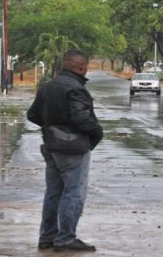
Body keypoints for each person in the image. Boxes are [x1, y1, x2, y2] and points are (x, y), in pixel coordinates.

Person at [27, 49, 103, 252]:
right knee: (74, 192)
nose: (85, 70)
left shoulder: (47, 87)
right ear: (80, 67)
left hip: (51, 146)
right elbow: (81, 118)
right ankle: (66, 238)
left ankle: (47, 237)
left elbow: (32, 115)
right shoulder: (76, 89)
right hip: (73, 149)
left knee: (53, 192)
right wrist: (97, 133)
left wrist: (52, 127)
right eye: (85, 67)